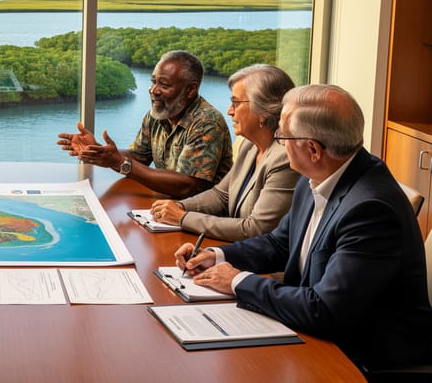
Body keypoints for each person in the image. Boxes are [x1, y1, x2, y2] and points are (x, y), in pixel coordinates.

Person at [175, 84, 432, 371]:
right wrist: (219, 256)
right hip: (319, 338)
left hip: (363, 361)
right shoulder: (321, 173)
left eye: (282, 135)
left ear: (312, 148)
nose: (279, 143)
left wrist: (237, 281)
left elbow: (325, 310)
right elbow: (280, 244)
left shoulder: (371, 210)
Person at [149, 64, 299, 240]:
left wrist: (183, 218)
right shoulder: (250, 146)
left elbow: (256, 228)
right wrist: (178, 207)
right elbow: (221, 195)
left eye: (235, 103)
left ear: (263, 110)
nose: (229, 111)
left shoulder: (284, 157)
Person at [57, 50, 233, 199]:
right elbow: (139, 157)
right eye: (153, 82)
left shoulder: (206, 122)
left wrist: (120, 163)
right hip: (166, 207)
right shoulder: (158, 114)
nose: (154, 90)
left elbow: (186, 186)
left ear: (190, 90)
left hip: (201, 217)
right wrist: (99, 152)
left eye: (164, 84)